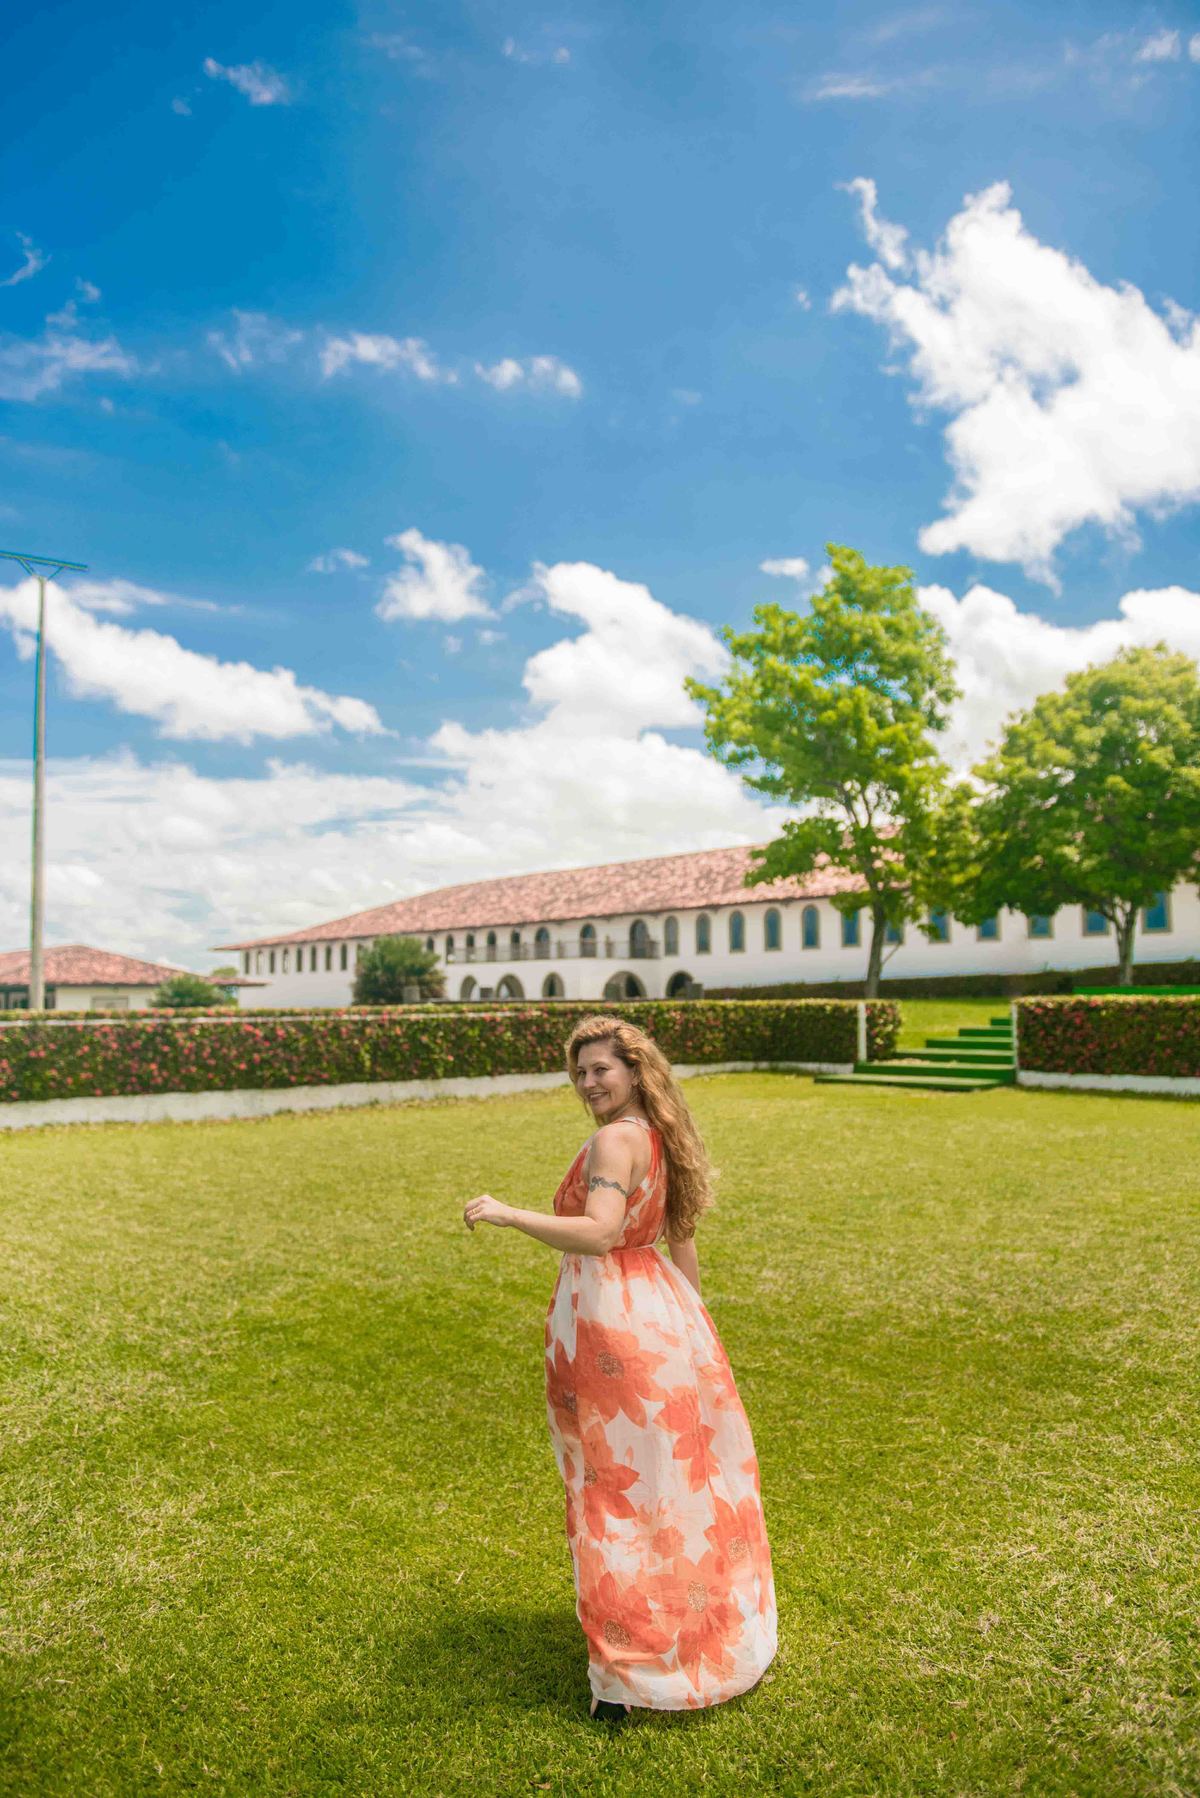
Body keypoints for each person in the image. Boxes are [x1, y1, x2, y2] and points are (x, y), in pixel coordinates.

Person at [462, 1013, 777, 1720]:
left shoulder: (615, 1140)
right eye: (580, 1071)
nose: (588, 1082)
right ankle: (684, 1631)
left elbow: (601, 1233)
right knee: (668, 1486)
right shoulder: (662, 1135)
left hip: (611, 1323)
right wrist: (694, 1331)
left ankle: (625, 1674)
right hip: (660, 1315)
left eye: (601, 1068)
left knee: (615, 1493)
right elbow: (681, 1240)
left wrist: (509, 1214)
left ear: (635, 1071)